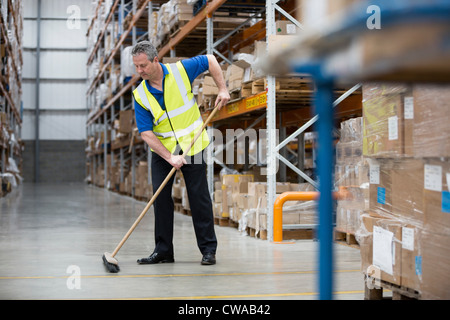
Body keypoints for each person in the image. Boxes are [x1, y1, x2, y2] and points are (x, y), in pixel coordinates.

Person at [131, 41, 230, 265]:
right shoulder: (140, 95)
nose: (140, 71)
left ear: (155, 60)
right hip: (163, 151)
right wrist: (170, 156)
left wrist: (223, 88)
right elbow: (146, 133)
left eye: (143, 65)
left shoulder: (180, 70)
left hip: (193, 146)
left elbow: (211, 59)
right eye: (136, 66)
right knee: (160, 198)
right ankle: (164, 250)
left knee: (199, 198)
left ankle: (208, 250)